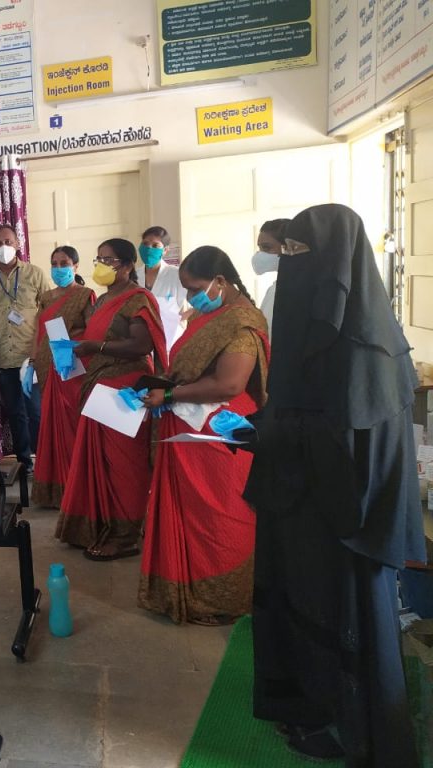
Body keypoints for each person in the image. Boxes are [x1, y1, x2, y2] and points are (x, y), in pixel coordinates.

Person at [245, 205, 423, 765]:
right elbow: (295, 409)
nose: (291, 264)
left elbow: (358, 441)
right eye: (287, 252)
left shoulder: (368, 347)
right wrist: (263, 431)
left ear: (341, 265)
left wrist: (281, 438)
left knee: (341, 621)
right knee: (295, 605)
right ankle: (304, 709)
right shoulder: (305, 333)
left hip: (345, 522)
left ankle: (354, 727)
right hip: (297, 506)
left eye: (301, 252)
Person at [138, 246, 269, 625]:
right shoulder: (207, 314)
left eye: (195, 288)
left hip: (219, 432)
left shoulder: (242, 321)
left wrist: (170, 395)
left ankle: (221, 600)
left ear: (220, 281)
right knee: (189, 516)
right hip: (188, 425)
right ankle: (186, 592)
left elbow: (229, 384)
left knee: (219, 516)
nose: (191, 296)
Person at [55, 239, 167, 558]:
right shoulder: (103, 299)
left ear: (129, 265)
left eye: (110, 260)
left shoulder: (138, 299)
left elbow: (141, 345)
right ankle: (102, 525)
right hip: (101, 386)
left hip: (125, 388)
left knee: (124, 464)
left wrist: (96, 347)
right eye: (99, 259)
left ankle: (126, 536)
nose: (102, 266)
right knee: (103, 462)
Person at [0, 223, 51, 469]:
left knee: (36, 411)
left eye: (8, 242)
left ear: (17, 244)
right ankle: (25, 462)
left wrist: (43, 351)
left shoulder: (35, 274)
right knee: (15, 413)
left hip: (32, 357)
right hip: (3, 360)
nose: (3, 247)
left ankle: (45, 461)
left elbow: (48, 312)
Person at [29, 246, 95, 507]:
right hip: (48, 366)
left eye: (64, 263)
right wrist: (32, 362)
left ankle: (76, 488)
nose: (58, 268)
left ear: (75, 266)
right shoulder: (46, 297)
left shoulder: (85, 295)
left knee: (72, 425)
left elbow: (93, 331)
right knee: (50, 424)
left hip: (73, 367)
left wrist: (74, 346)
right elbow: (39, 332)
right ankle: (53, 491)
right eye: (54, 263)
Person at [137, 226, 186, 351]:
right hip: (141, 340)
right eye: (145, 244)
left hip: (170, 341)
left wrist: (178, 320)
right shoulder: (134, 276)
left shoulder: (177, 275)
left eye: (155, 245)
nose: (149, 248)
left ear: (165, 250)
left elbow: (197, 303)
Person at [251, 218, 290, 329]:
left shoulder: (292, 289)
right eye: (259, 248)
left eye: (266, 247)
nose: (260, 254)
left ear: (288, 248)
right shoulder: (275, 288)